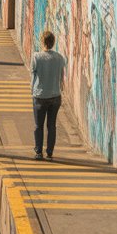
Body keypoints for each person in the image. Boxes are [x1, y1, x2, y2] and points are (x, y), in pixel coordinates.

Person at [31, 30, 66, 161]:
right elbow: (62, 77)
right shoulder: (59, 58)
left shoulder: (36, 57)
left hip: (40, 96)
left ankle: (38, 152)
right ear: (53, 42)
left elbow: (33, 74)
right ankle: (50, 152)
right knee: (52, 125)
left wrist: (32, 91)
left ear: (42, 42)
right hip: (55, 96)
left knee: (38, 125)